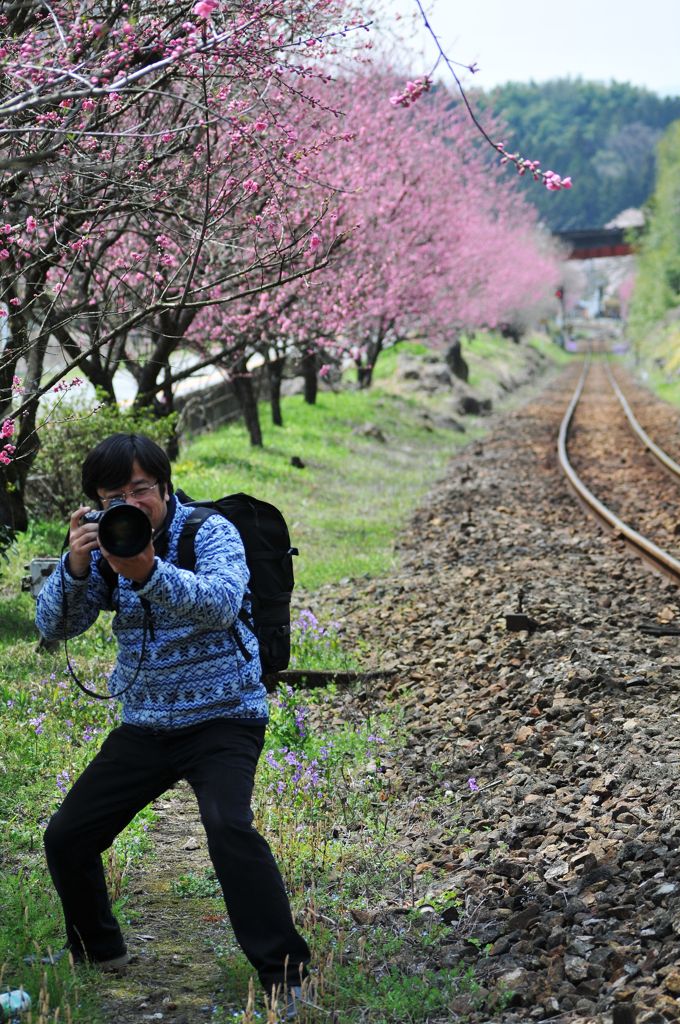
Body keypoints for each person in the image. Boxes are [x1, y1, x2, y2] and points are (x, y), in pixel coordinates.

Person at [35, 433, 310, 1018]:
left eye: (141, 490)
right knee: (67, 836)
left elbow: (220, 602)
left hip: (225, 716)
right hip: (147, 723)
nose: (131, 504)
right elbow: (56, 626)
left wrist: (146, 570)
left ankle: (287, 975)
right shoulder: (106, 545)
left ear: (164, 487)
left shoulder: (207, 531)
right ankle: (97, 951)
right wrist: (78, 566)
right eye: (115, 496)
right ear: (97, 504)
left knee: (228, 828)